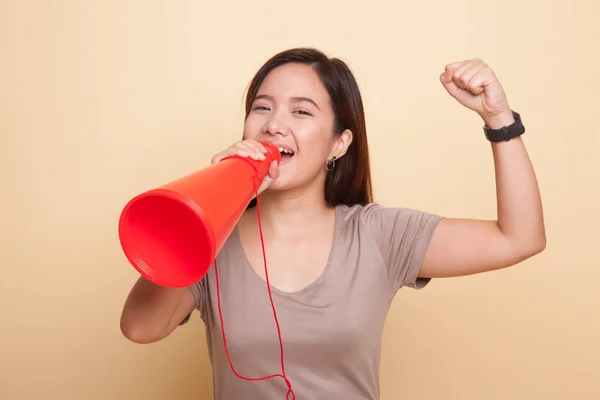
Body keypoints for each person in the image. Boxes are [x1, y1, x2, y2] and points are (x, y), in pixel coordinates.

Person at [120, 48, 546, 399]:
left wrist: (499, 118)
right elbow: (139, 327)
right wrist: (215, 205)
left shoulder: (379, 236)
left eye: (301, 112)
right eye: (262, 108)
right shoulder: (211, 243)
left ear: (339, 143)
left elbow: (519, 238)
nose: (273, 125)